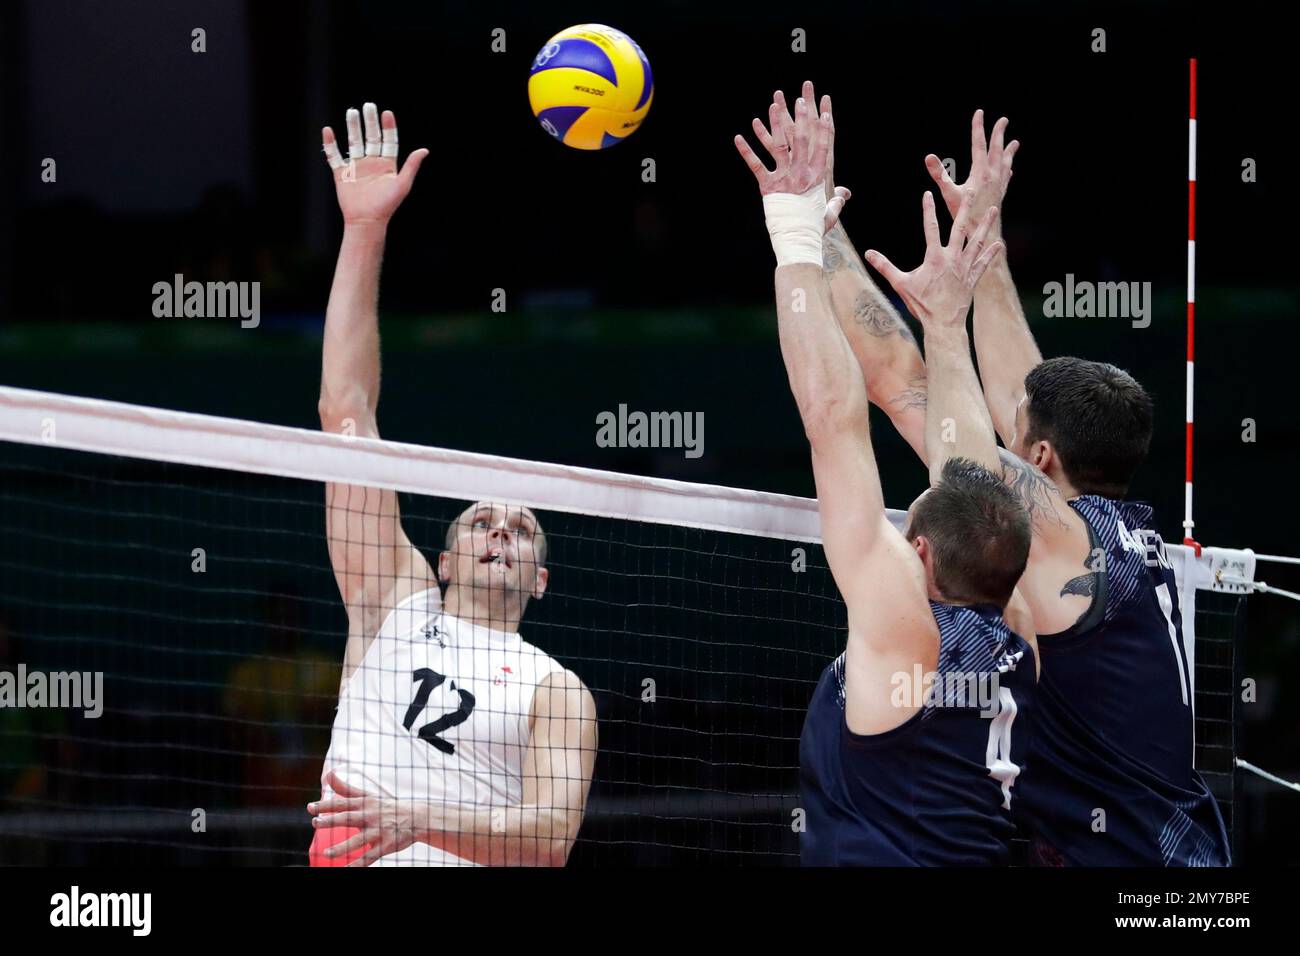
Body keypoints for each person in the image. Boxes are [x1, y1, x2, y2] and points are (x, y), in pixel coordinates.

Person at [866, 109, 1229, 865]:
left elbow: (938, 430)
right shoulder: (1109, 529)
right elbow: (1007, 395)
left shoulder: (1066, 536)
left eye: (1018, 432)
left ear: (1036, 454)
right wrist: (982, 239)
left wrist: (941, 318)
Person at [735, 85, 1037, 865]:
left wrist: (791, 232)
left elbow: (832, 417)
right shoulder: (1033, 625)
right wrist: (823, 238)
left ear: (923, 556)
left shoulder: (904, 628)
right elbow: (905, 401)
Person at [306, 103, 597, 866]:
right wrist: (364, 232)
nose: (501, 531)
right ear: (440, 562)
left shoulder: (557, 689)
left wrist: (417, 820)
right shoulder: (391, 599)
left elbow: (551, 839)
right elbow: (346, 412)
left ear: (540, 580)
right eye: (480, 522)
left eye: (522, 529)